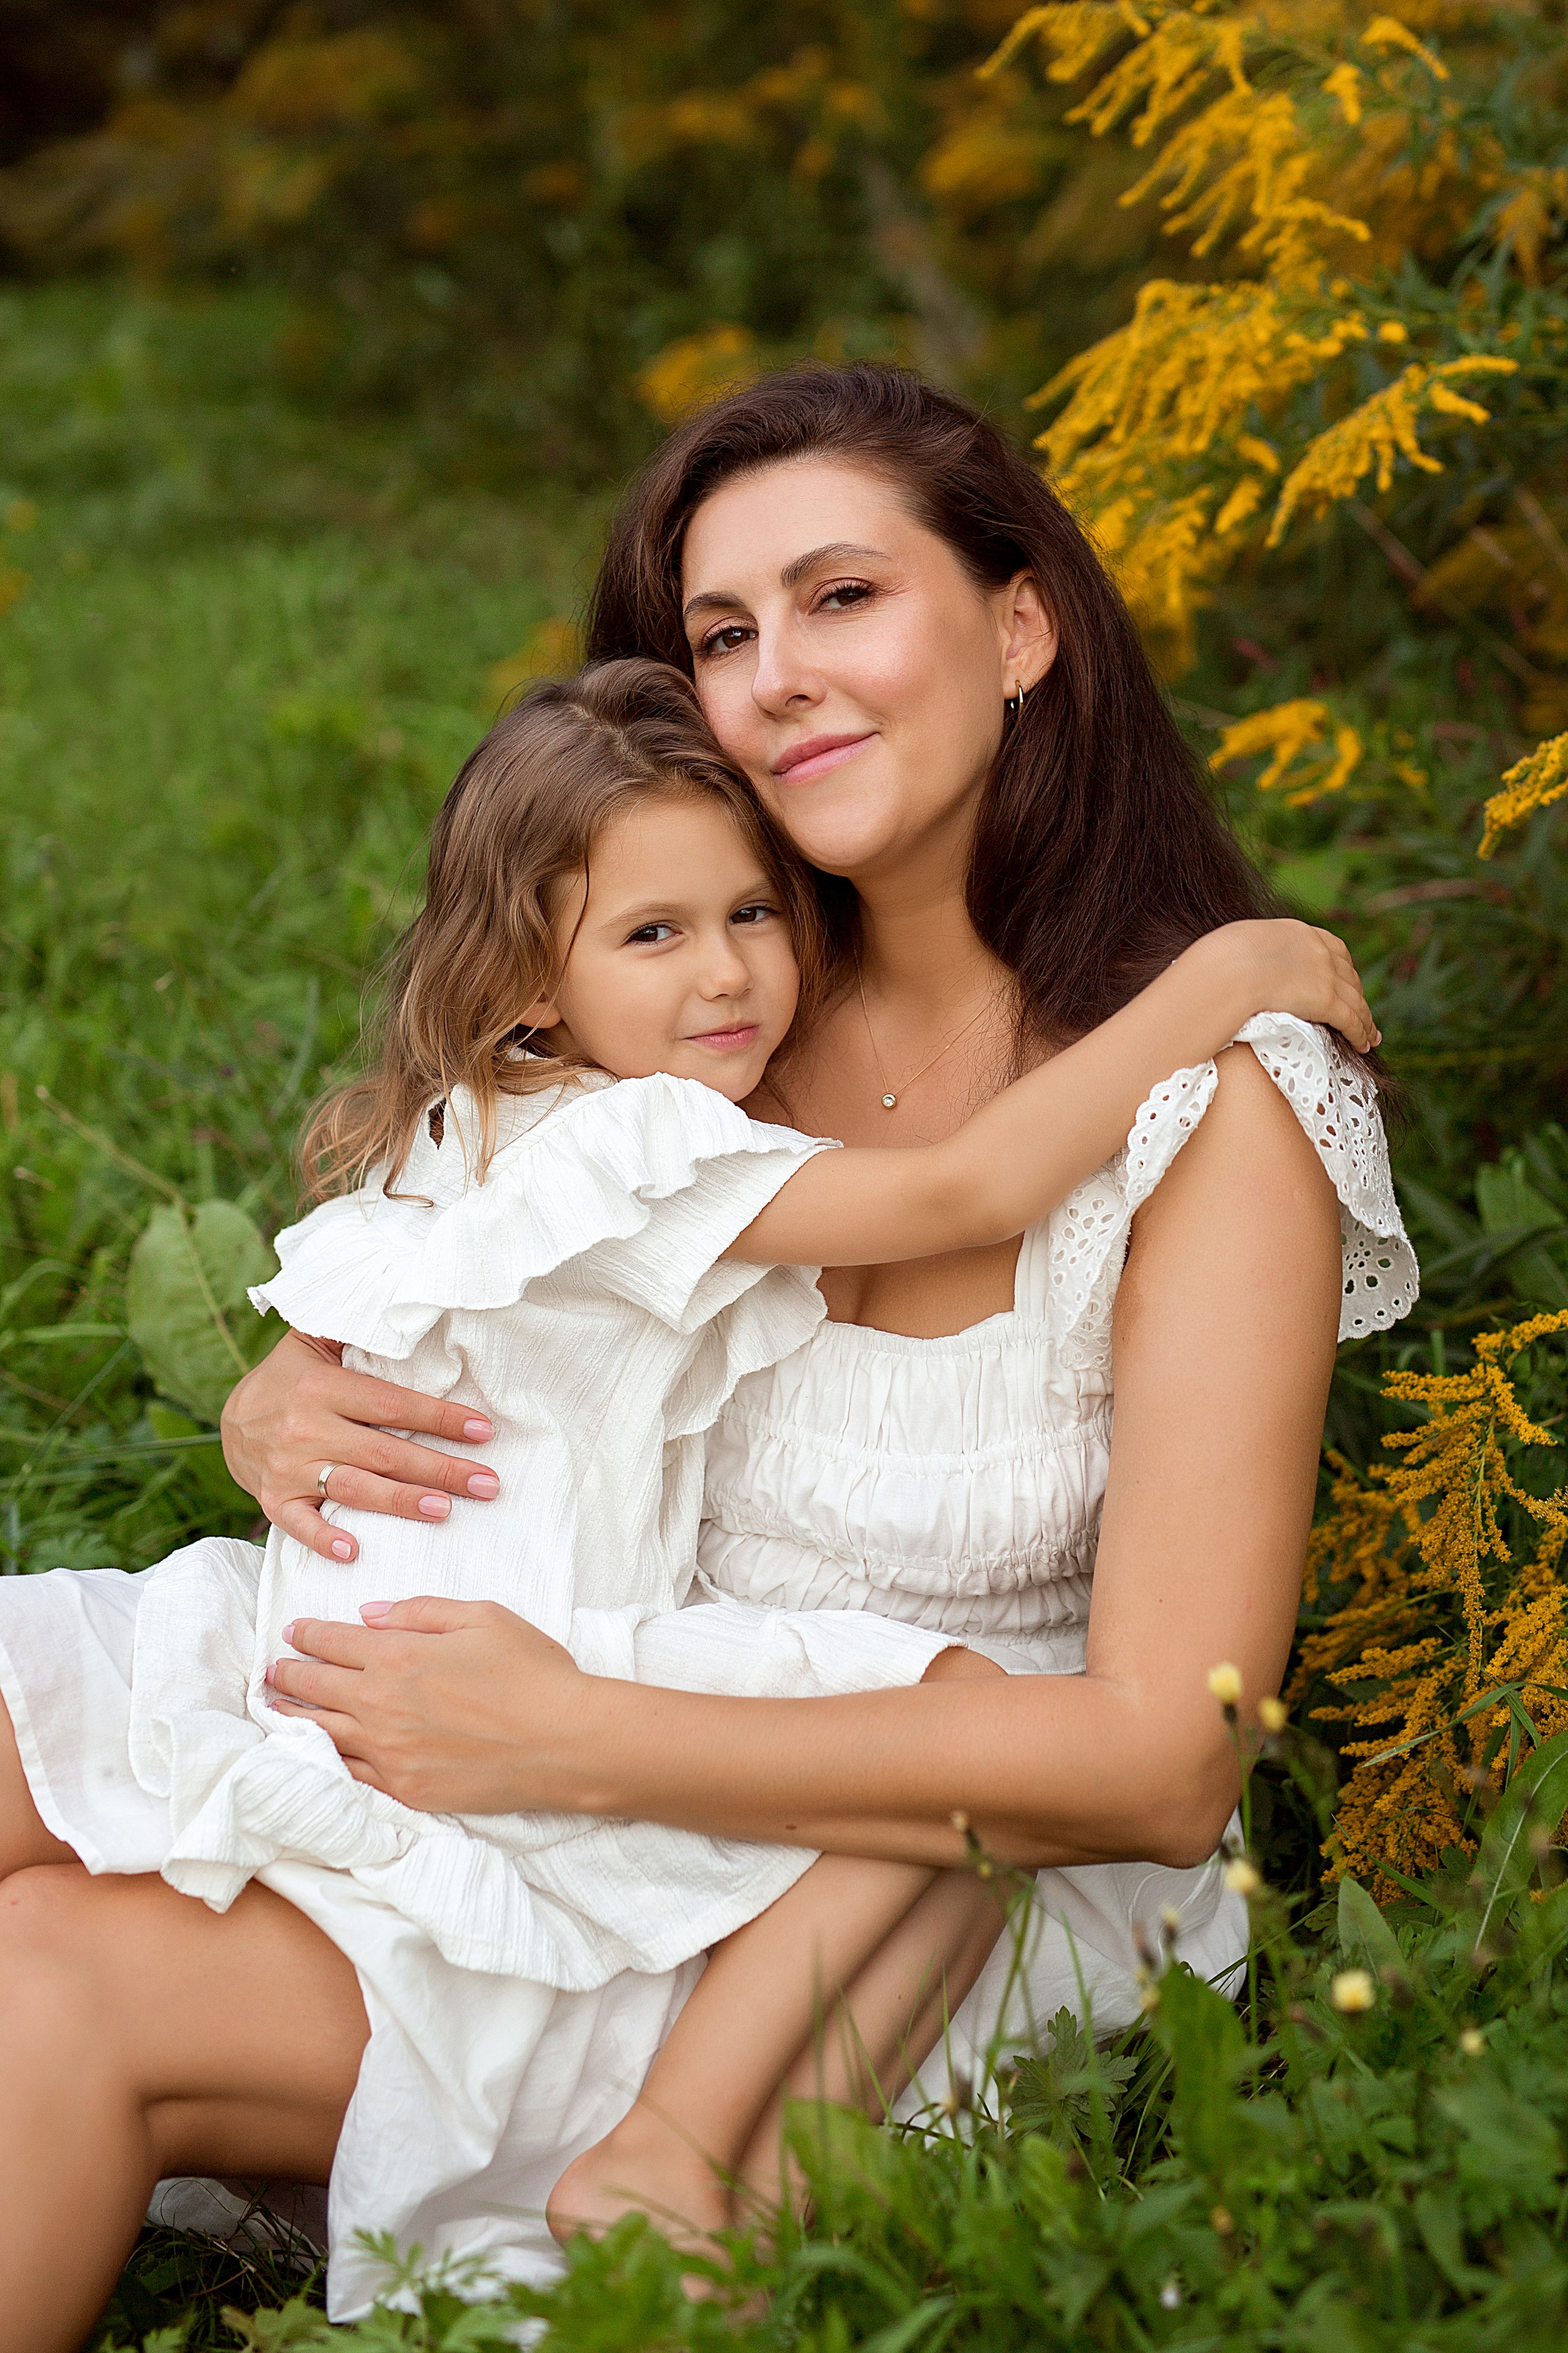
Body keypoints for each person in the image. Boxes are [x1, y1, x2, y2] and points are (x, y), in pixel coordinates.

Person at [0, 363, 1417, 2351]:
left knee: (52, 1977)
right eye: (725, 632)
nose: (778, 677)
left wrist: (573, 1735)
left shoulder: (1210, 1102)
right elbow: (475, 1246)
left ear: (1022, 626)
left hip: (872, 1899)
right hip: (539, 1736)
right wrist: (285, 1396)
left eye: (843, 597)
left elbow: (1172, 1759)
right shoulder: (699, 1020)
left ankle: (655, 2170)